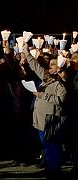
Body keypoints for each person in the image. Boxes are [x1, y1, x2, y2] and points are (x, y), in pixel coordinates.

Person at [23, 43, 67, 178]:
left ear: (60, 67)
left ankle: (54, 170)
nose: (50, 66)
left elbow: (61, 99)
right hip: (41, 119)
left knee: (52, 145)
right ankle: (50, 167)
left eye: (53, 64)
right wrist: (27, 53)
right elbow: (37, 67)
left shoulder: (61, 84)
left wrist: (43, 96)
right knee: (46, 146)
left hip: (51, 120)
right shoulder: (47, 79)